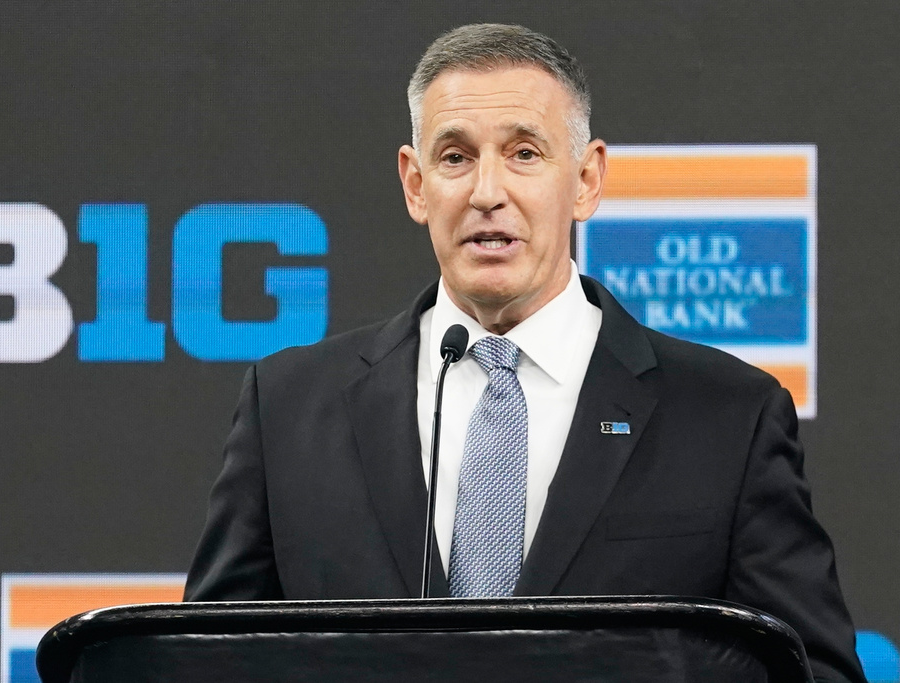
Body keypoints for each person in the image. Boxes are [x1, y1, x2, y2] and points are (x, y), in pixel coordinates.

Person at [185, 23, 865, 682]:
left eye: (524, 153)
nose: (488, 193)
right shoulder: (287, 407)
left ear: (587, 179)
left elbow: (813, 670)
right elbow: (197, 663)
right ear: (415, 184)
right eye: (455, 157)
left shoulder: (727, 417)